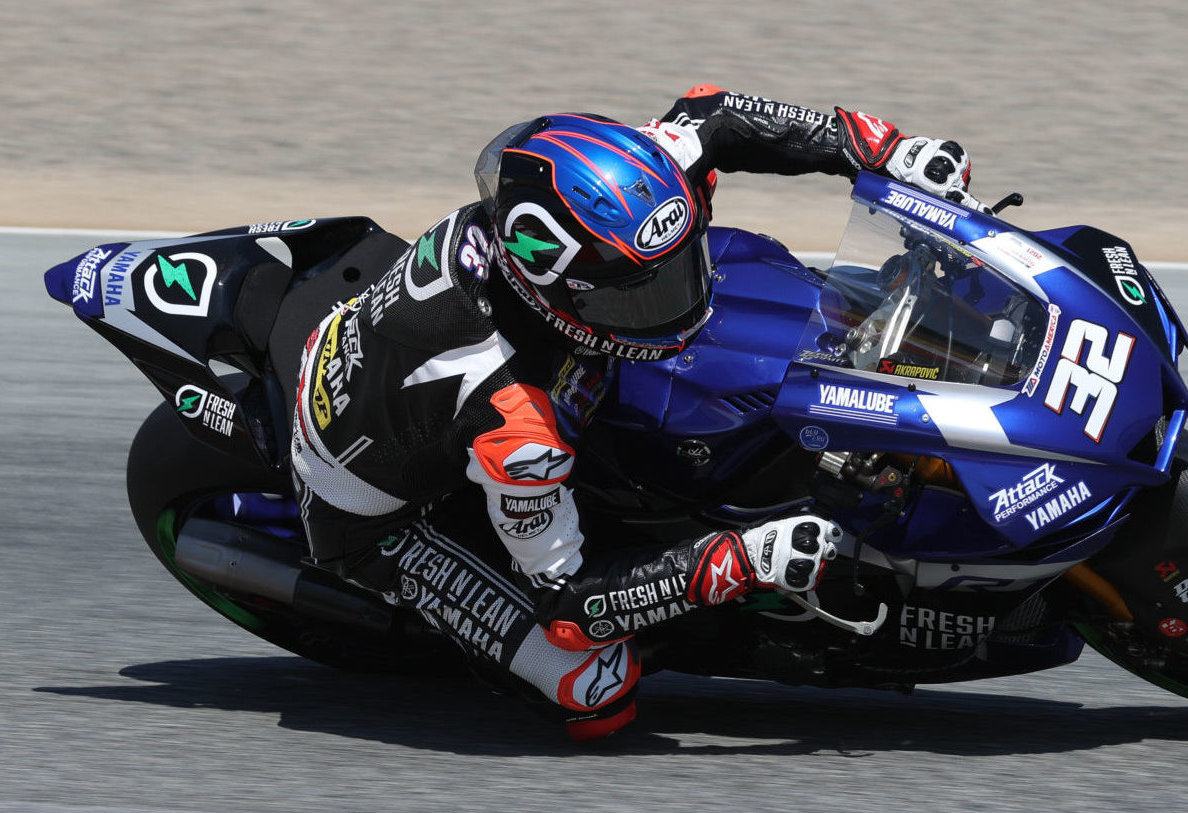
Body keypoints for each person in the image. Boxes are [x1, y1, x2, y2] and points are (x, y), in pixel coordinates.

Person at [288, 86, 976, 739]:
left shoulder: (610, 202)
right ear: (558, 295)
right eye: (638, 297)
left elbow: (717, 114)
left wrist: (878, 149)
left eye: (677, 269)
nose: (678, 304)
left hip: (406, 378)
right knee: (595, 684)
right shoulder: (518, 422)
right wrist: (739, 560)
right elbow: (569, 605)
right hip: (377, 517)